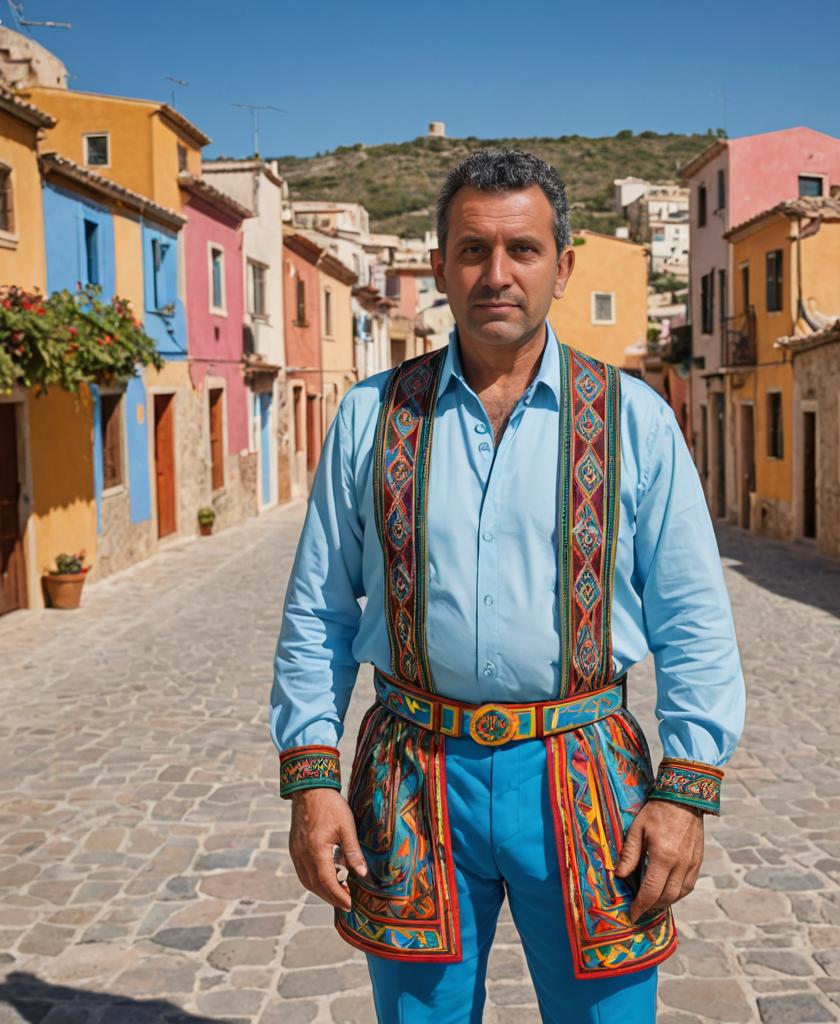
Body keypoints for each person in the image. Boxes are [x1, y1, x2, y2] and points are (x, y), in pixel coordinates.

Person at [270, 149, 745, 1023]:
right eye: (472, 251)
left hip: (585, 775)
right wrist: (311, 780)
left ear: (562, 267)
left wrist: (684, 792)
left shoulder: (633, 418)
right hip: (414, 778)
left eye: (522, 250)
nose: (497, 274)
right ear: (442, 264)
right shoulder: (370, 418)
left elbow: (694, 620)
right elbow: (318, 613)